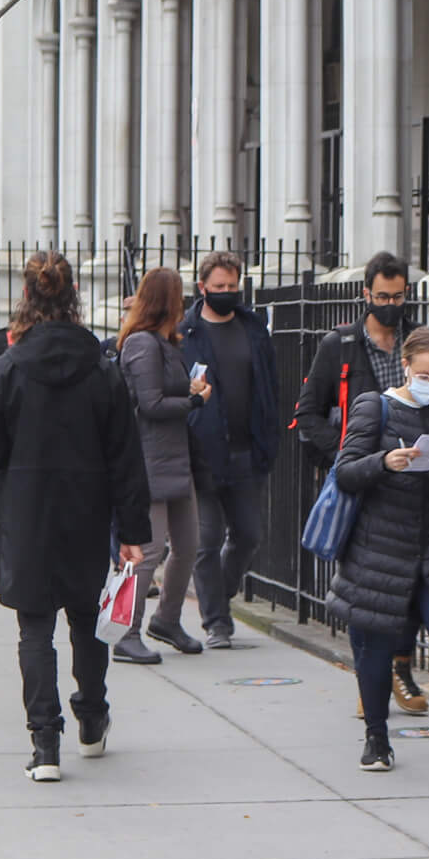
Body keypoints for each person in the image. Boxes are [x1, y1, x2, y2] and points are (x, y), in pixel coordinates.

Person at [0, 252, 151, 782]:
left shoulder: (6, 367)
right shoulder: (101, 368)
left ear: (26, 296)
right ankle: (91, 718)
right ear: (73, 295)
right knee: (87, 623)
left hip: (27, 511)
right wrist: (134, 531)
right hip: (86, 509)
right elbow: (125, 454)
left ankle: (44, 741)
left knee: (34, 629)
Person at [329, 328, 429, 775]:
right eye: (425, 374)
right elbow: (346, 472)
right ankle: (377, 739)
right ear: (406, 366)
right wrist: (384, 462)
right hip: (380, 546)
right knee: (376, 644)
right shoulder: (374, 406)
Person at [293, 250, 429, 716]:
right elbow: (307, 413)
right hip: (363, 483)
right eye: (382, 296)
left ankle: (401, 667)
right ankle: (371, 678)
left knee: (413, 580)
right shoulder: (341, 345)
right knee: (366, 589)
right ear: (365, 294)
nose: (390, 304)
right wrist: (348, 454)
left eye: (398, 295)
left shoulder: (418, 339)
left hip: (413, 481)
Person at [178, 253, 279, 648]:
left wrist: (269, 431)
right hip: (202, 450)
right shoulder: (186, 333)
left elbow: (269, 384)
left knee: (249, 534)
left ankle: (221, 591)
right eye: (218, 287)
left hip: (247, 449)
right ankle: (216, 621)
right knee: (207, 538)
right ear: (202, 288)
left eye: (231, 287)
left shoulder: (253, 328)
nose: (225, 293)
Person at [113, 268, 211, 665]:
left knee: (189, 544)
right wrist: (195, 402)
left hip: (175, 457)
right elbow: (149, 404)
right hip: (149, 460)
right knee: (147, 551)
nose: (184, 305)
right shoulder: (141, 344)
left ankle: (167, 619)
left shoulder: (166, 343)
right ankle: (125, 632)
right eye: (179, 297)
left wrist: (189, 389)